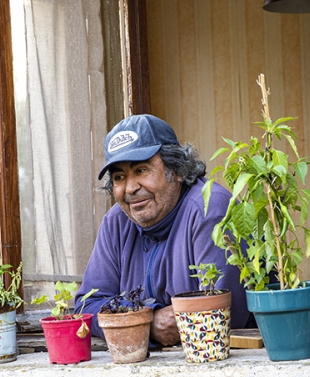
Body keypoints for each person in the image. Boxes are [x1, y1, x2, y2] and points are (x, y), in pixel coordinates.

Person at [75, 114, 250, 346]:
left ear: (176, 169)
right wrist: (148, 319)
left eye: (141, 170)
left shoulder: (210, 208)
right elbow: (87, 307)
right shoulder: (116, 222)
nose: (130, 188)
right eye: (119, 177)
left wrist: (127, 320)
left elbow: (219, 317)